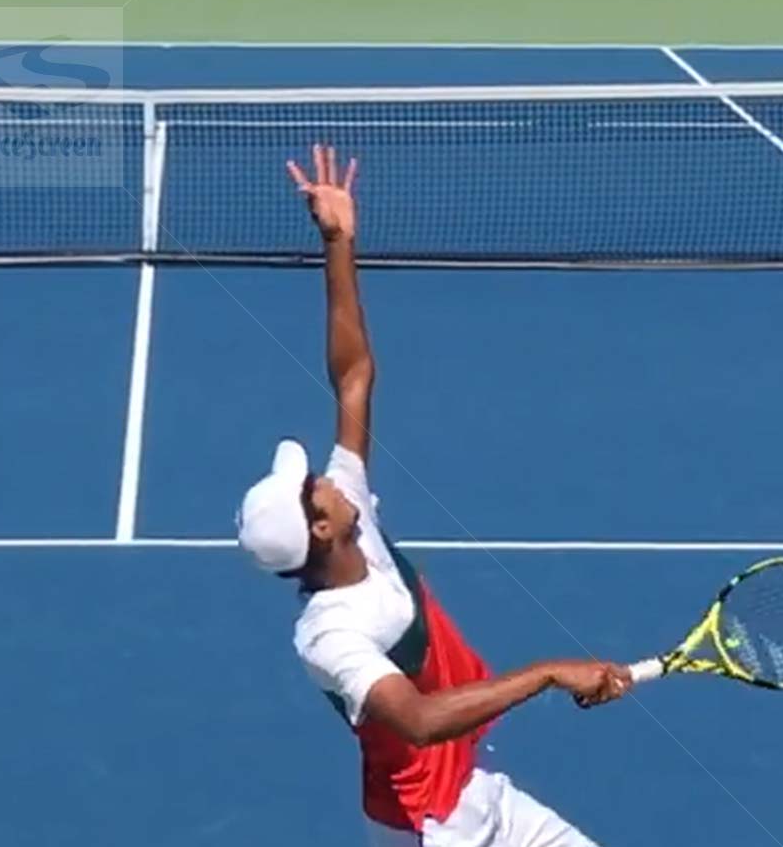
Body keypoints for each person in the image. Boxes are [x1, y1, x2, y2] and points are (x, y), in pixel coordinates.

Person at [236, 146, 631, 847]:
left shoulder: (353, 508)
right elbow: (416, 721)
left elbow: (353, 373)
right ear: (321, 528)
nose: (325, 475)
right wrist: (546, 672)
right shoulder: (330, 636)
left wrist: (338, 243)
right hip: (430, 830)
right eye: (312, 488)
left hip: (474, 794)